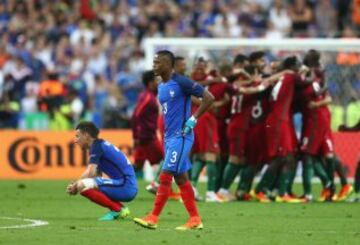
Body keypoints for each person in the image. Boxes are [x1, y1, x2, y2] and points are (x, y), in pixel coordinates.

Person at [133, 50, 214, 230]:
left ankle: (153, 217)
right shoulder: (162, 86)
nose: (154, 66)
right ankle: (195, 219)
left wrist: (193, 119)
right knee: (181, 177)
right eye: (153, 63)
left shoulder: (181, 81)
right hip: (169, 137)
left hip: (182, 136)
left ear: (168, 64)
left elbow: (209, 98)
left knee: (165, 174)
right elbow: (181, 100)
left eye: (158, 63)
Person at [66, 121, 138, 221]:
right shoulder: (99, 145)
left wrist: (75, 185)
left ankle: (117, 210)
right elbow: (95, 174)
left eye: (78, 136)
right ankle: (120, 208)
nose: (76, 140)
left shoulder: (96, 147)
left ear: (86, 135)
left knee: (82, 185)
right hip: (126, 185)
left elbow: (90, 172)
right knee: (87, 185)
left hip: (125, 186)